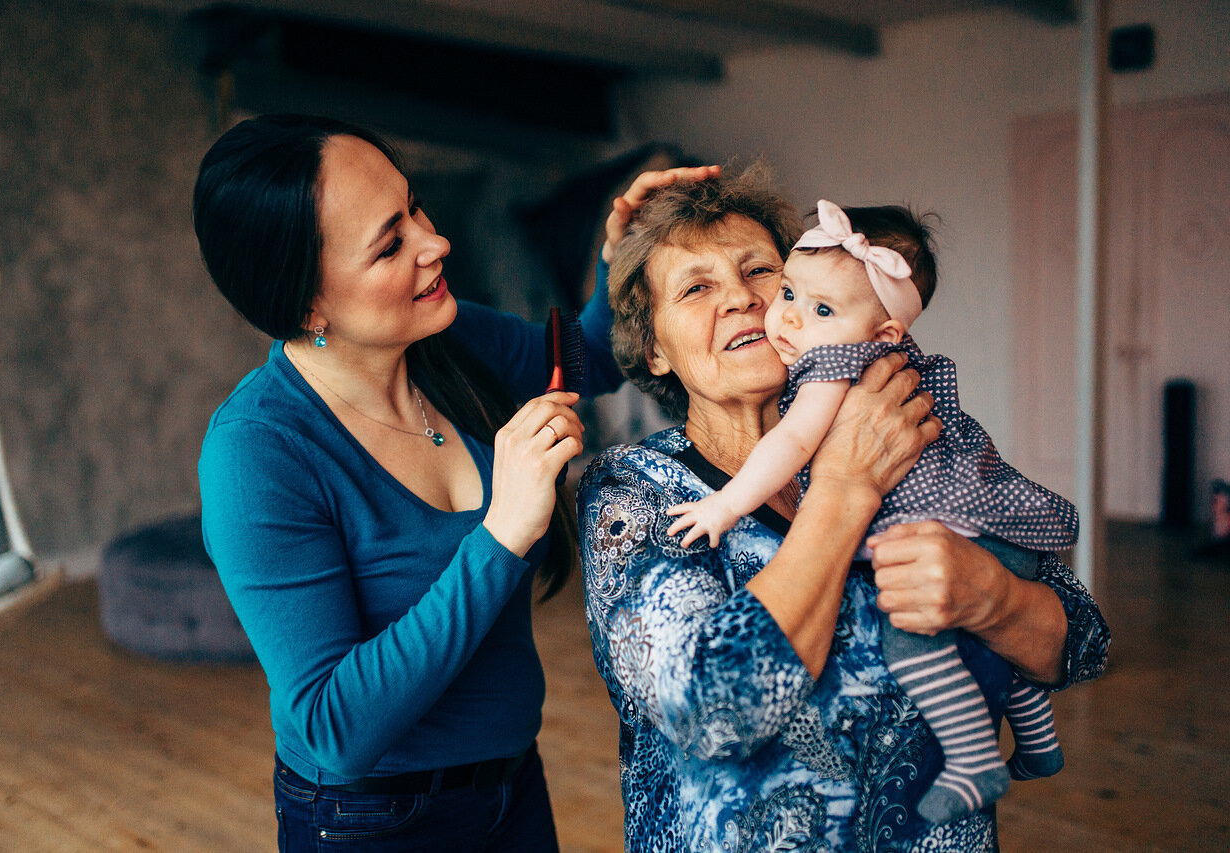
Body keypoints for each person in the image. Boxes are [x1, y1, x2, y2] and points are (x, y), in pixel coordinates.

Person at [193, 112, 716, 852]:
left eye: (414, 208)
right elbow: (333, 727)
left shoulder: (442, 338)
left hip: (512, 789)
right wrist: (502, 532)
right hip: (369, 823)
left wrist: (620, 251)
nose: (435, 243)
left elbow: (588, 358)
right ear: (307, 304)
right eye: (389, 243)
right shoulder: (258, 453)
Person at [578, 167, 1110, 851]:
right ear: (653, 347)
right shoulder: (636, 492)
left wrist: (993, 597)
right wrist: (843, 487)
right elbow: (709, 711)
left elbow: (1084, 641)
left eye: (760, 271)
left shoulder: (904, 428)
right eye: (697, 287)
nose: (741, 298)